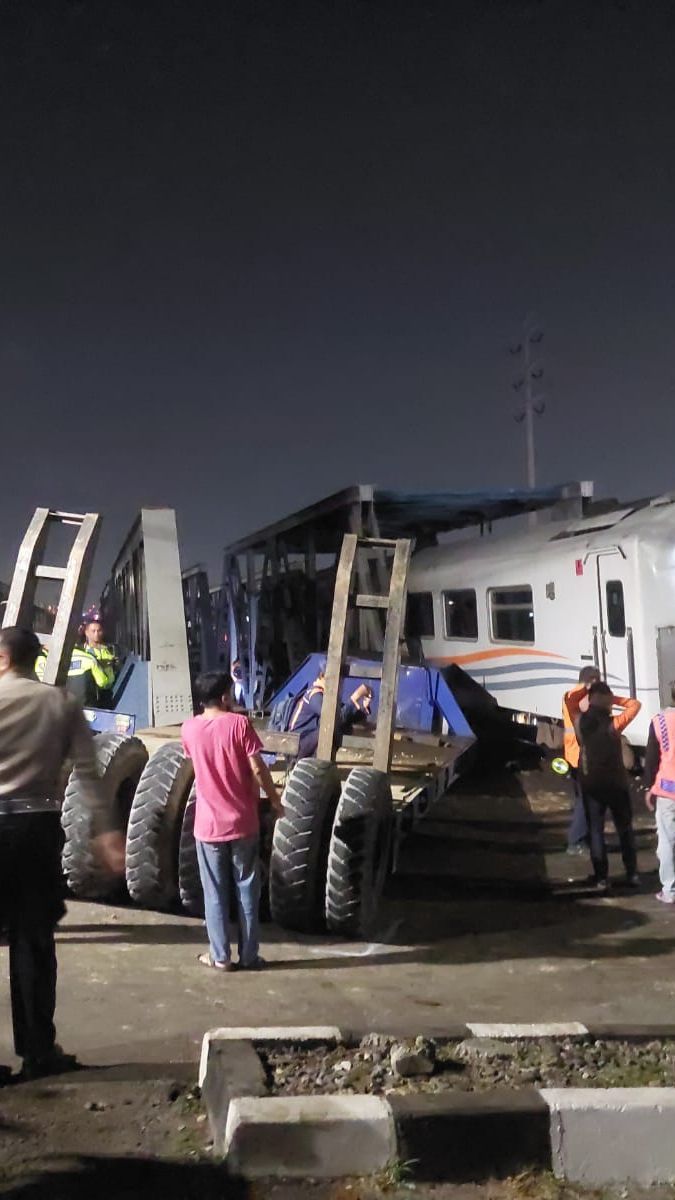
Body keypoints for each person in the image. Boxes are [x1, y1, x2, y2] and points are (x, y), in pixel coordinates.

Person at [0, 627, 125, 1080]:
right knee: (32, 942)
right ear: (37, 659)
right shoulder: (62, 703)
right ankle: (37, 1051)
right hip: (37, 826)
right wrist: (108, 832)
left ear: (2, 658)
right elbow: (89, 774)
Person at [181, 670, 283, 971]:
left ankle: (220, 956)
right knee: (247, 888)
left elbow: (195, 764)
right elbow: (258, 767)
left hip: (208, 825)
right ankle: (249, 956)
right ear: (225, 696)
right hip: (243, 822)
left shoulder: (189, 729)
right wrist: (275, 800)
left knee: (214, 892)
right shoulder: (239, 724)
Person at [577, 680, 641, 892]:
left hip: (592, 784)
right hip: (617, 783)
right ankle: (632, 874)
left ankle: (602, 878)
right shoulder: (614, 724)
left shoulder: (581, 722)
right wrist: (611, 699)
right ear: (606, 701)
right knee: (625, 830)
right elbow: (635, 704)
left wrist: (592, 696)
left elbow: (570, 700)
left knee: (596, 831)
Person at [289, 667, 373, 760]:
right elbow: (336, 718)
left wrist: (363, 706)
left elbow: (345, 715)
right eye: (333, 679)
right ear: (322, 676)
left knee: (343, 727)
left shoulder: (326, 695)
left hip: (308, 739)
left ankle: (324, 763)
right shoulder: (315, 695)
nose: (337, 684)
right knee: (329, 729)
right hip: (299, 743)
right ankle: (319, 763)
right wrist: (355, 697)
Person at [642, 683, 675, 905]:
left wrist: (647, 787)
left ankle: (670, 890)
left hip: (667, 789)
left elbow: (652, 758)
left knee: (667, 839)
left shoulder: (659, 721)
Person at [562, 667, 599, 853]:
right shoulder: (581, 697)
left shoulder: (570, 694)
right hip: (582, 756)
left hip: (573, 755)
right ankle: (575, 841)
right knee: (586, 800)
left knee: (582, 799)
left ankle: (583, 839)